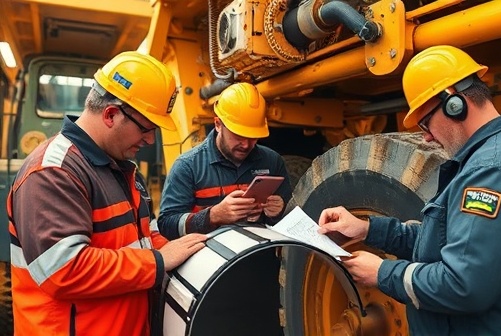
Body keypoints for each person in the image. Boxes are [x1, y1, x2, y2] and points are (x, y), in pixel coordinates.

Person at [318, 45, 501, 335]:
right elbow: (443, 243)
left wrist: (382, 273)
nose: (425, 137)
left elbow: (464, 285)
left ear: (454, 103)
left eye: (425, 122)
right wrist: (366, 230)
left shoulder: (494, 173)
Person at [7, 51, 207, 336]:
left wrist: (188, 248)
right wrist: (160, 261)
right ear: (111, 114)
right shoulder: (54, 171)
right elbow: (64, 270)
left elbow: (141, 237)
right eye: (146, 128)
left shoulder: (119, 168)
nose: (150, 139)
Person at [157, 82, 291, 239]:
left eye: (253, 137)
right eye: (238, 136)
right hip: (209, 259)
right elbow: (167, 225)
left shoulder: (272, 161)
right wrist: (213, 215)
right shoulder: (188, 166)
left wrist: (279, 211)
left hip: (259, 255)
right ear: (218, 125)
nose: (246, 145)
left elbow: (292, 219)